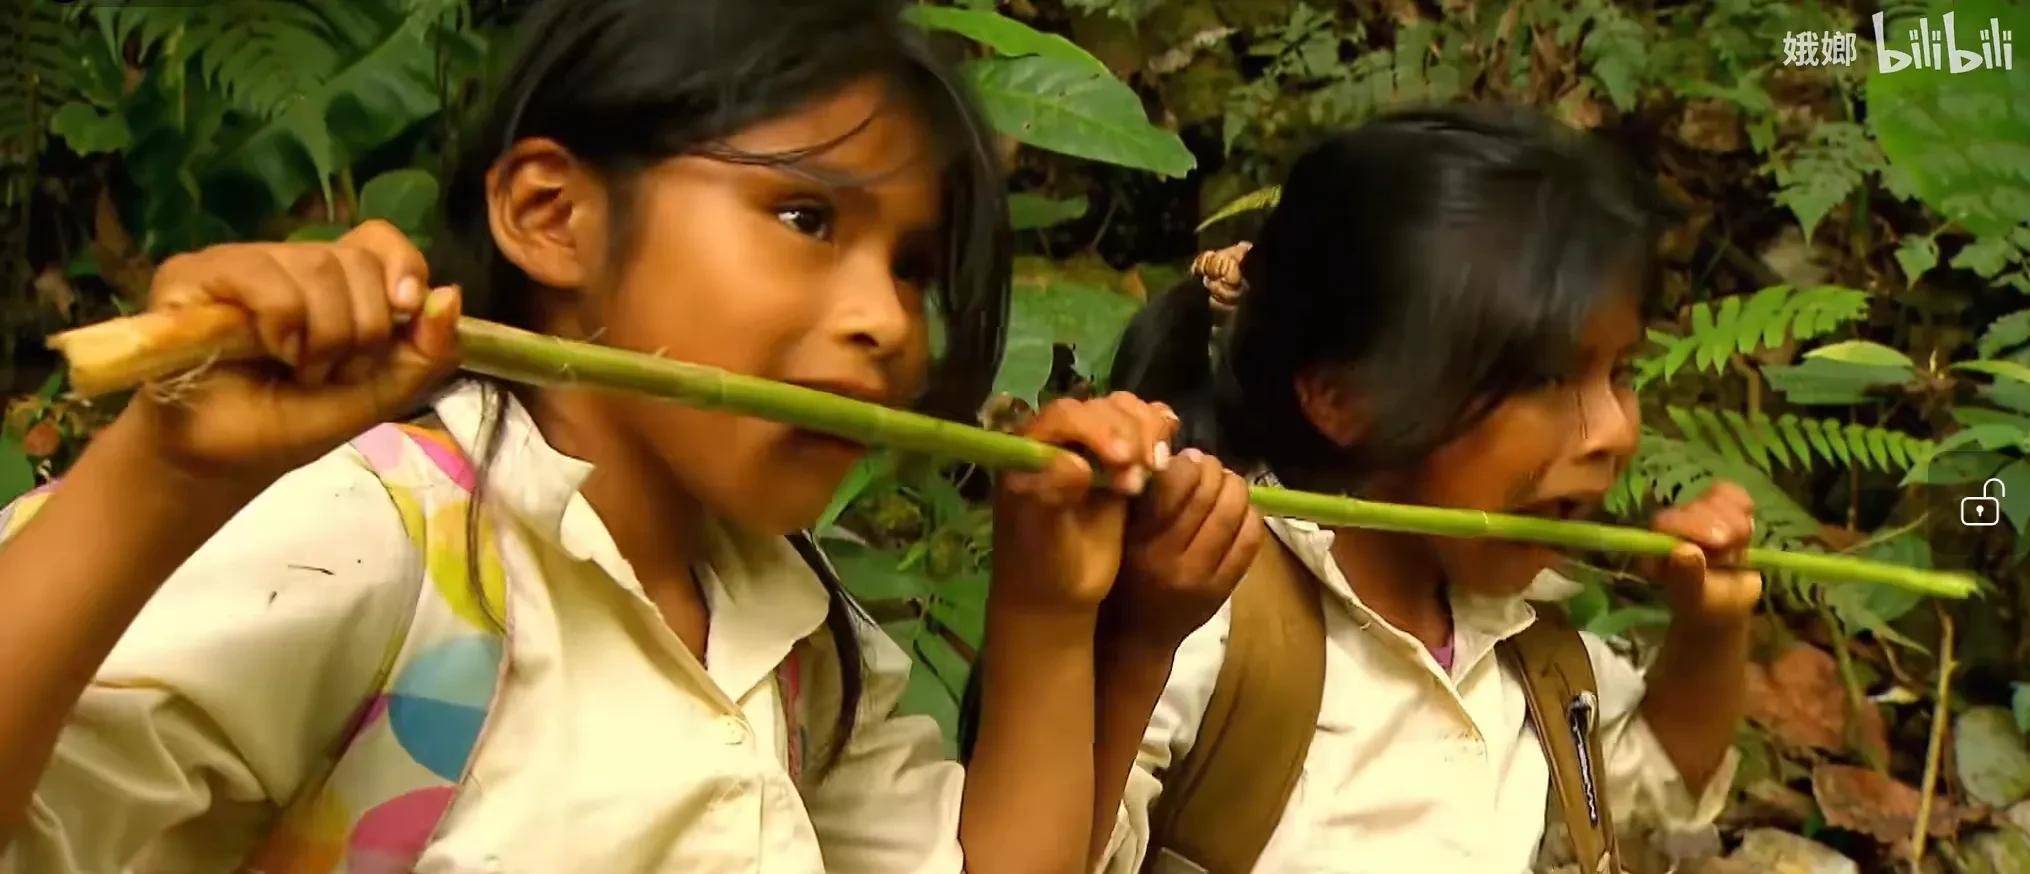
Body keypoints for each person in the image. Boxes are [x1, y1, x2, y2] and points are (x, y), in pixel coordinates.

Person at [0, 1, 1260, 870]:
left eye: (914, 266)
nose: (886, 321)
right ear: (552, 216)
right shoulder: (376, 543)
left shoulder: (791, 643)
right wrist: (160, 480)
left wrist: (1064, 620)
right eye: (806, 220)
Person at [1098, 107, 1757, 873]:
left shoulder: (1529, 647)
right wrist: (1128, 645)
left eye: (1621, 373)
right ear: (1343, 395)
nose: (1613, 429)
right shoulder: (1202, 633)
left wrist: (1711, 634)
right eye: (1545, 377)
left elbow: (1647, 796)